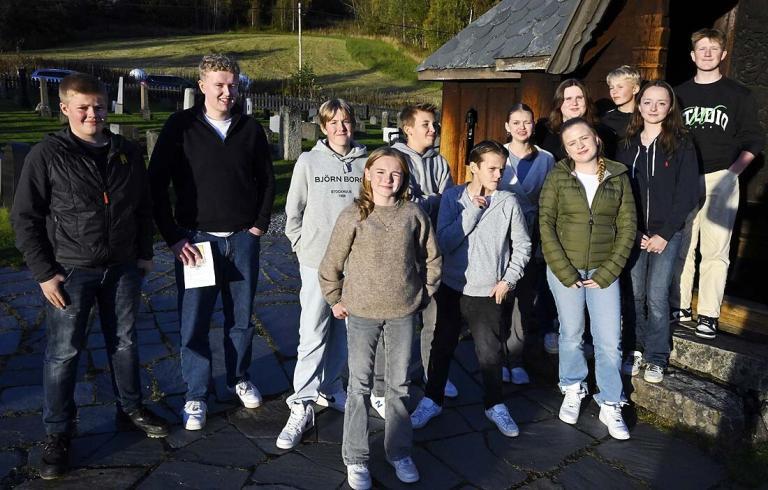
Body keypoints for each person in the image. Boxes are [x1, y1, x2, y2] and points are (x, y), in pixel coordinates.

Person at [11, 73, 169, 479]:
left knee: (125, 342)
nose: (93, 114)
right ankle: (59, 433)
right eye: (83, 107)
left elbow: (144, 205)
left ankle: (130, 408)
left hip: (122, 269)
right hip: (71, 271)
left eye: (99, 106)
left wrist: (145, 253)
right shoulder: (48, 155)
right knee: (64, 355)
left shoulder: (126, 152)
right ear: (65, 108)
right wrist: (45, 274)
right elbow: (25, 217)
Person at [149, 54, 275, 430]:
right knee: (195, 322)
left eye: (233, 84)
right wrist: (172, 237)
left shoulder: (250, 129)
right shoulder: (180, 127)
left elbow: (267, 182)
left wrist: (258, 227)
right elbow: (155, 184)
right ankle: (195, 395)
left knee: (241, 319)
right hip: (196, 243)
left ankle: (238, 377)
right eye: (219, 84)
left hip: (241, 240)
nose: (227, 91)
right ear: (201, 85)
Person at [319, 147, 441, 489]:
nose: (388, 179)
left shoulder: (413, 214)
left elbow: (432, 257)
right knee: (359, 386)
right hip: (361, 314)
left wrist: (425, 291)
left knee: (399, 386)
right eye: (381, 172)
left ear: (403, 180)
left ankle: (399, 451)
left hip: (403, 313)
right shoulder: (353, 216)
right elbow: (331, 264)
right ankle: (355, 457)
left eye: (396, 174)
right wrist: (334, 299)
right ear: (368, 175)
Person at [410, 141, 531, 438]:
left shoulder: (508, 202)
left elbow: (523, 246)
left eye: (501, 169)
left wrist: (508, 280)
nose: (497, 174)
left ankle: (495, 404)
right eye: (491, 168)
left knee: (489, 352)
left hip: (488, 291)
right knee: (442, 344)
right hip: (452, 287)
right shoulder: (453, 198)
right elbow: (444, 241)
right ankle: (432, 399)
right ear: (473, 167)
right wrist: (471, 213)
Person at [277, 99, 368, 450]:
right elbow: (293, 210)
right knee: (313, 330)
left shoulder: (366, 161)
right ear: (323, 126)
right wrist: (302, 245)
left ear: (353, 123)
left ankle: (331, 387)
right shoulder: (308, 161)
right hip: (317, 262)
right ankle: (302, 400)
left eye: (346, 121)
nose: (340, 128)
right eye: (333, 123)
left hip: (356, 263)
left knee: (344, 331)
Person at [539, 117, 636, 440]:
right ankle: (572, 386)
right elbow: (546, 224)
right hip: (565, 267)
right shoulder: (558, 177)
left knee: (609, 339)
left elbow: (627, 228)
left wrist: (609, 270)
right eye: (572, 143)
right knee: (571, 332)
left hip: (603, 269)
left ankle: (610, 401)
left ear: (596, 139)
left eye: (584, 138)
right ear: (565, 149)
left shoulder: (618, 176)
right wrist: (563, 269)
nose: (580, 146)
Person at [671, 28, 765, 340]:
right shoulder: (679, 94)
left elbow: (754, 139)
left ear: (723, 55)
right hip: (685, 180)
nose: (708, 53)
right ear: (692, 55)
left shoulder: (738, 95)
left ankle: (709, 314)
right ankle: (681, 307)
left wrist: (732, 174)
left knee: (716, 251)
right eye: (702, 48)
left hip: (720, 177)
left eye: (714, 48)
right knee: (683, 246)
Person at [370, 103, 455, 418]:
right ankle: (381, 387)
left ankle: (433, 376)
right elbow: (398, 203)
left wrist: (426, 200)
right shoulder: (393, 160)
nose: (433, 130)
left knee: (434, 321)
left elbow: (447, 203)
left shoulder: (440, 162)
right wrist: (428, 200)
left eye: (434, 125)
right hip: (400, 255)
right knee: (392, 323)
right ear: (408, 128)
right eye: (427, 125)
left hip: (432, 252)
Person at [617, 81, 699, 383]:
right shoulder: (627, 145)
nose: (654, 108)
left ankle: (656, 356)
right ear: (639, 106)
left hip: (667, 233)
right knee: (635, 294)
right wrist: (633, 230)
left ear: (670, 107)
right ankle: (635, 348)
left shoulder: (681, 143)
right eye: (648, 102)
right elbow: (620, 192)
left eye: (661, 103)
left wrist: (665, 233)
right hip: (635, 233)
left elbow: (688, 193)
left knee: (657, 295)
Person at [498, 104, 556, 380]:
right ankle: (495, 356)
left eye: (528, 122)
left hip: (532, 232)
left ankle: (516, 355)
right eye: (516, 122)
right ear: (507, 126)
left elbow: (550, 198)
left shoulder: (546, 159)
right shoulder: (496, 154)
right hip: (500, 233)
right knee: (500, 294)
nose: (522, 127)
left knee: (524, 295)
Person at [536, 79, 617, 161]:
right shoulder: (545, 132)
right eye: (568, 99)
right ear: (559, 102)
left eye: (579, 98)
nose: (574, 103)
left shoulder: (603, 133)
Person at [602, 65, 641, 140]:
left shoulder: (646, 117)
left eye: (620, 87)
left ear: (635, 89)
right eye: (611, 88)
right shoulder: (606, 120)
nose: (614, 92)